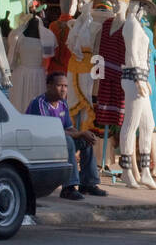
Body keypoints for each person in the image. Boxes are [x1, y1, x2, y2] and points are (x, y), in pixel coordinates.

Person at [26, 71, 107, 200]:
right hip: (39, 146)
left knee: (85, 140)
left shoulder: (62, 103)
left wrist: (84, 135)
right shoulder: (39, 103)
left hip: (55, 143)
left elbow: (68, 127)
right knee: (68, 140)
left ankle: (88, 184)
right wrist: (80, 133)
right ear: (49, 86)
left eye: (66, 86)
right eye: (60, 86)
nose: (63, 89)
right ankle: (68, 188)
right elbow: (50, 131)